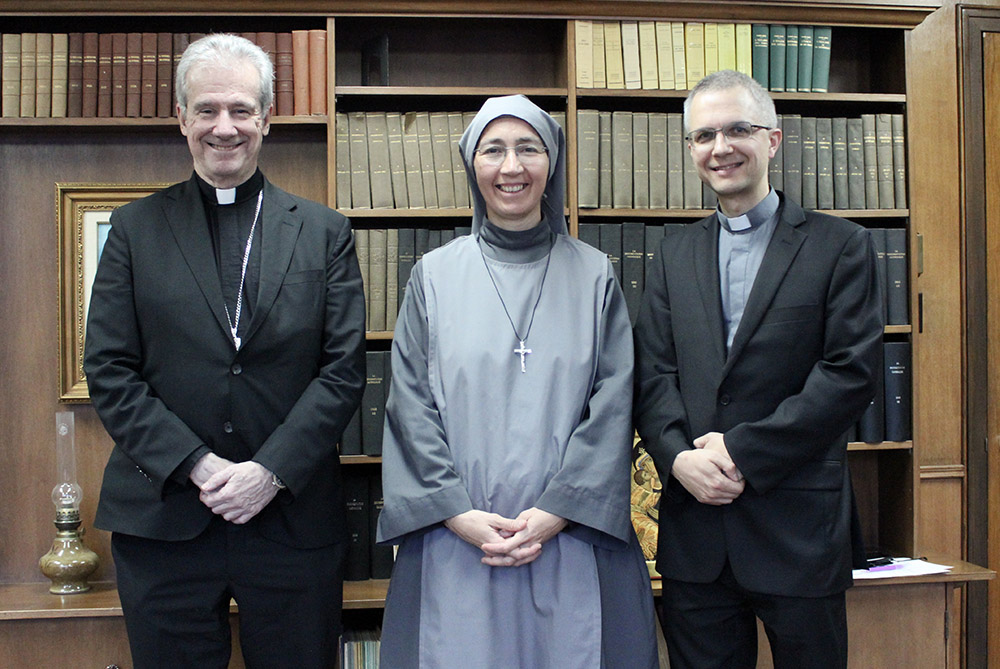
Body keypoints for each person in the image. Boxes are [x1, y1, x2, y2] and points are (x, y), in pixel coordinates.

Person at [83, 34, 366, 668]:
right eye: (206, 110)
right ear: (181, 118)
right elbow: (109, 369)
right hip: (166, 520)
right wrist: (199, 466)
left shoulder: (325, 233)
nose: (224, 127)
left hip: (290, 521)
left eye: (241, 110)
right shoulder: (133, 231)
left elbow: (343, 372)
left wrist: (268, 472)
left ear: (267, 117)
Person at [376, 94, 658, 668]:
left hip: (572, 535)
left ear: (550, 163)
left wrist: (558, 511)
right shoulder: (432, 276)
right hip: (457, 539)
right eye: (493, 150)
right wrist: (455, 513)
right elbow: (409, 403)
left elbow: (613, 402)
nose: (511, 167)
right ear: (471, 166)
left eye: (528, 148)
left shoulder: (595, 273)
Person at [633, 69, 883, 669]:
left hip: (796, 528)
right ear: (692, 150)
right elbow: (652, 374)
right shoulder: (672, 253)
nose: (720, 148)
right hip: (696, 532)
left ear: (772, 140)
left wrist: (744, 451)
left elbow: (848, 373)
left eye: (737, 130)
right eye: (703, 136)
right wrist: (678, 458)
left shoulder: (839, 245)